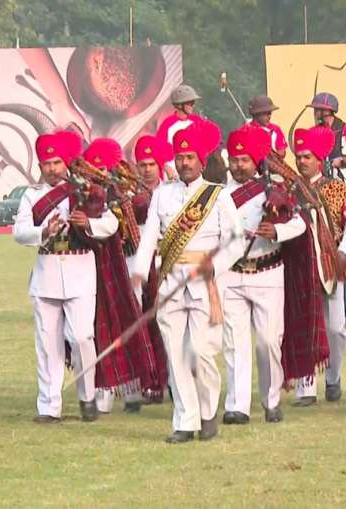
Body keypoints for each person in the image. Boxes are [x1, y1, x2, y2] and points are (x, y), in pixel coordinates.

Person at [131, 119, 245, 444]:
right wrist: (140, 273)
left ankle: (208, 411)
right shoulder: (162, 195)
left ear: (201, 161)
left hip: (205, 284)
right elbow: (150, 235)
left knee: (201, 352)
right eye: (180, 158)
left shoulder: (218, 196)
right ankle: (185, 420)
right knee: (175, 353)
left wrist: (214, 267)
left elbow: (235, 241)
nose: (184, 163)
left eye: (190, 157)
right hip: (170, 280)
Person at [12, 130, 120, 424]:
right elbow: (19, 232)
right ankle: (49, 406)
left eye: (57, 162)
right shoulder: (32, 195)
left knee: (82, 336)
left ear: (66, 163)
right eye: (46, 163)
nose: (52, 169)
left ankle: (87, 396)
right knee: (47, 345)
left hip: (80, 271)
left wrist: (89, 223)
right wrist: (42, 232)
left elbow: (111, 222)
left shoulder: (85, 190)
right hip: (46, 271)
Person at [220, 125, 305, 425]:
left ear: (255, 161)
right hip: (231, 274)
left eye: (244, 160)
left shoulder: (273, 191)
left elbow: (299, 225)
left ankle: (271, 399)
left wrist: (277, 230)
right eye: (234, 159)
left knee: (268, 341)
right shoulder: (220, 194)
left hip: (268, 272)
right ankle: (237, 405)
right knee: (234, 342)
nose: (238, 165)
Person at [283, 125, 346, 407]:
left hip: (330, 264)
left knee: (336, 328)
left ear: (319, 159)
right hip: (299, 266)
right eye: (299, 156)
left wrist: (344, 253)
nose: (301, 161)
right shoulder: (289, 190)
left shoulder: (335, 188)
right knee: (303, 323)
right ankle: (306, 387)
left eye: (306, 156)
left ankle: (333, 377)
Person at [81, 138, 161, 416]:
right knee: (100, 325)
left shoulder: (128, 189)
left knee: (130, 321)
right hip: (97, 264)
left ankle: (135, 389)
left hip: (129, 262)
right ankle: (105, 391)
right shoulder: (88, 190)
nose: (98, 171)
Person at [128, 134, 173, 404]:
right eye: (142, 165)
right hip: (137, 264)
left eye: (150, 164)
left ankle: (168, 381)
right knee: (138, 324)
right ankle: (143, 383)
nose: (146, 170)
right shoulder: (127, 193)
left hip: (165, 263)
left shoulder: (172, 192)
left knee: (164, 324)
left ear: (159, 165)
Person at [309, 92, 346, 252]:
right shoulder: (314, 131)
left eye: (317, 110)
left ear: (327, 111)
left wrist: (341, 160)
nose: (315, 113)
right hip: (319, 174)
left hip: (341, 172)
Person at [156, 84, 204, 180]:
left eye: (193, 102)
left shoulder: (198, 121)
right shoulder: (167, 125)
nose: (192, 105)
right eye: (190, 103)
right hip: (174, 175)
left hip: (195, 174)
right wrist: (167, 168)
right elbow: (158, 152)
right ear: (178, 105)